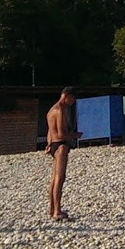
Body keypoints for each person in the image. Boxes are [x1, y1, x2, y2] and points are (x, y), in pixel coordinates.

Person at [46, 87, 81, 221]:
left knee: (54, 179)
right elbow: (61, 133)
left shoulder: (51, 110)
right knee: (60, 178)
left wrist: (49, 144)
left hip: (54, 145)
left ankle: (52, 209)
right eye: (72, 98)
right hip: (61, 146)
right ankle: (57, 212)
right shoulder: (60, 110)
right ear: (66, 96)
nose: (73, 101)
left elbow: (50, 131)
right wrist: (75, 135)